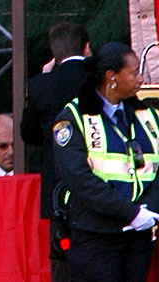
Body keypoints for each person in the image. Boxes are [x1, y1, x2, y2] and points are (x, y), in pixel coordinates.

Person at [54, 42, 159, 282]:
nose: (140, 79)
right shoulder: (74, 117)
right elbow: (79, 179)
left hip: (139, 234)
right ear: (111, 77)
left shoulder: (148, 115)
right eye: (133, 73)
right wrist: (130, 213)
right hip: (96, 234)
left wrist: (149, 210)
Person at [21, 22, 91, 282]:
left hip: (59, 183)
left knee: (63, 260)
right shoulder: (101, 78)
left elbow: (28, 134)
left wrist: (46, 77)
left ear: (54, 53)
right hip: (101, 180)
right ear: (87, 48)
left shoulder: (41, 84)